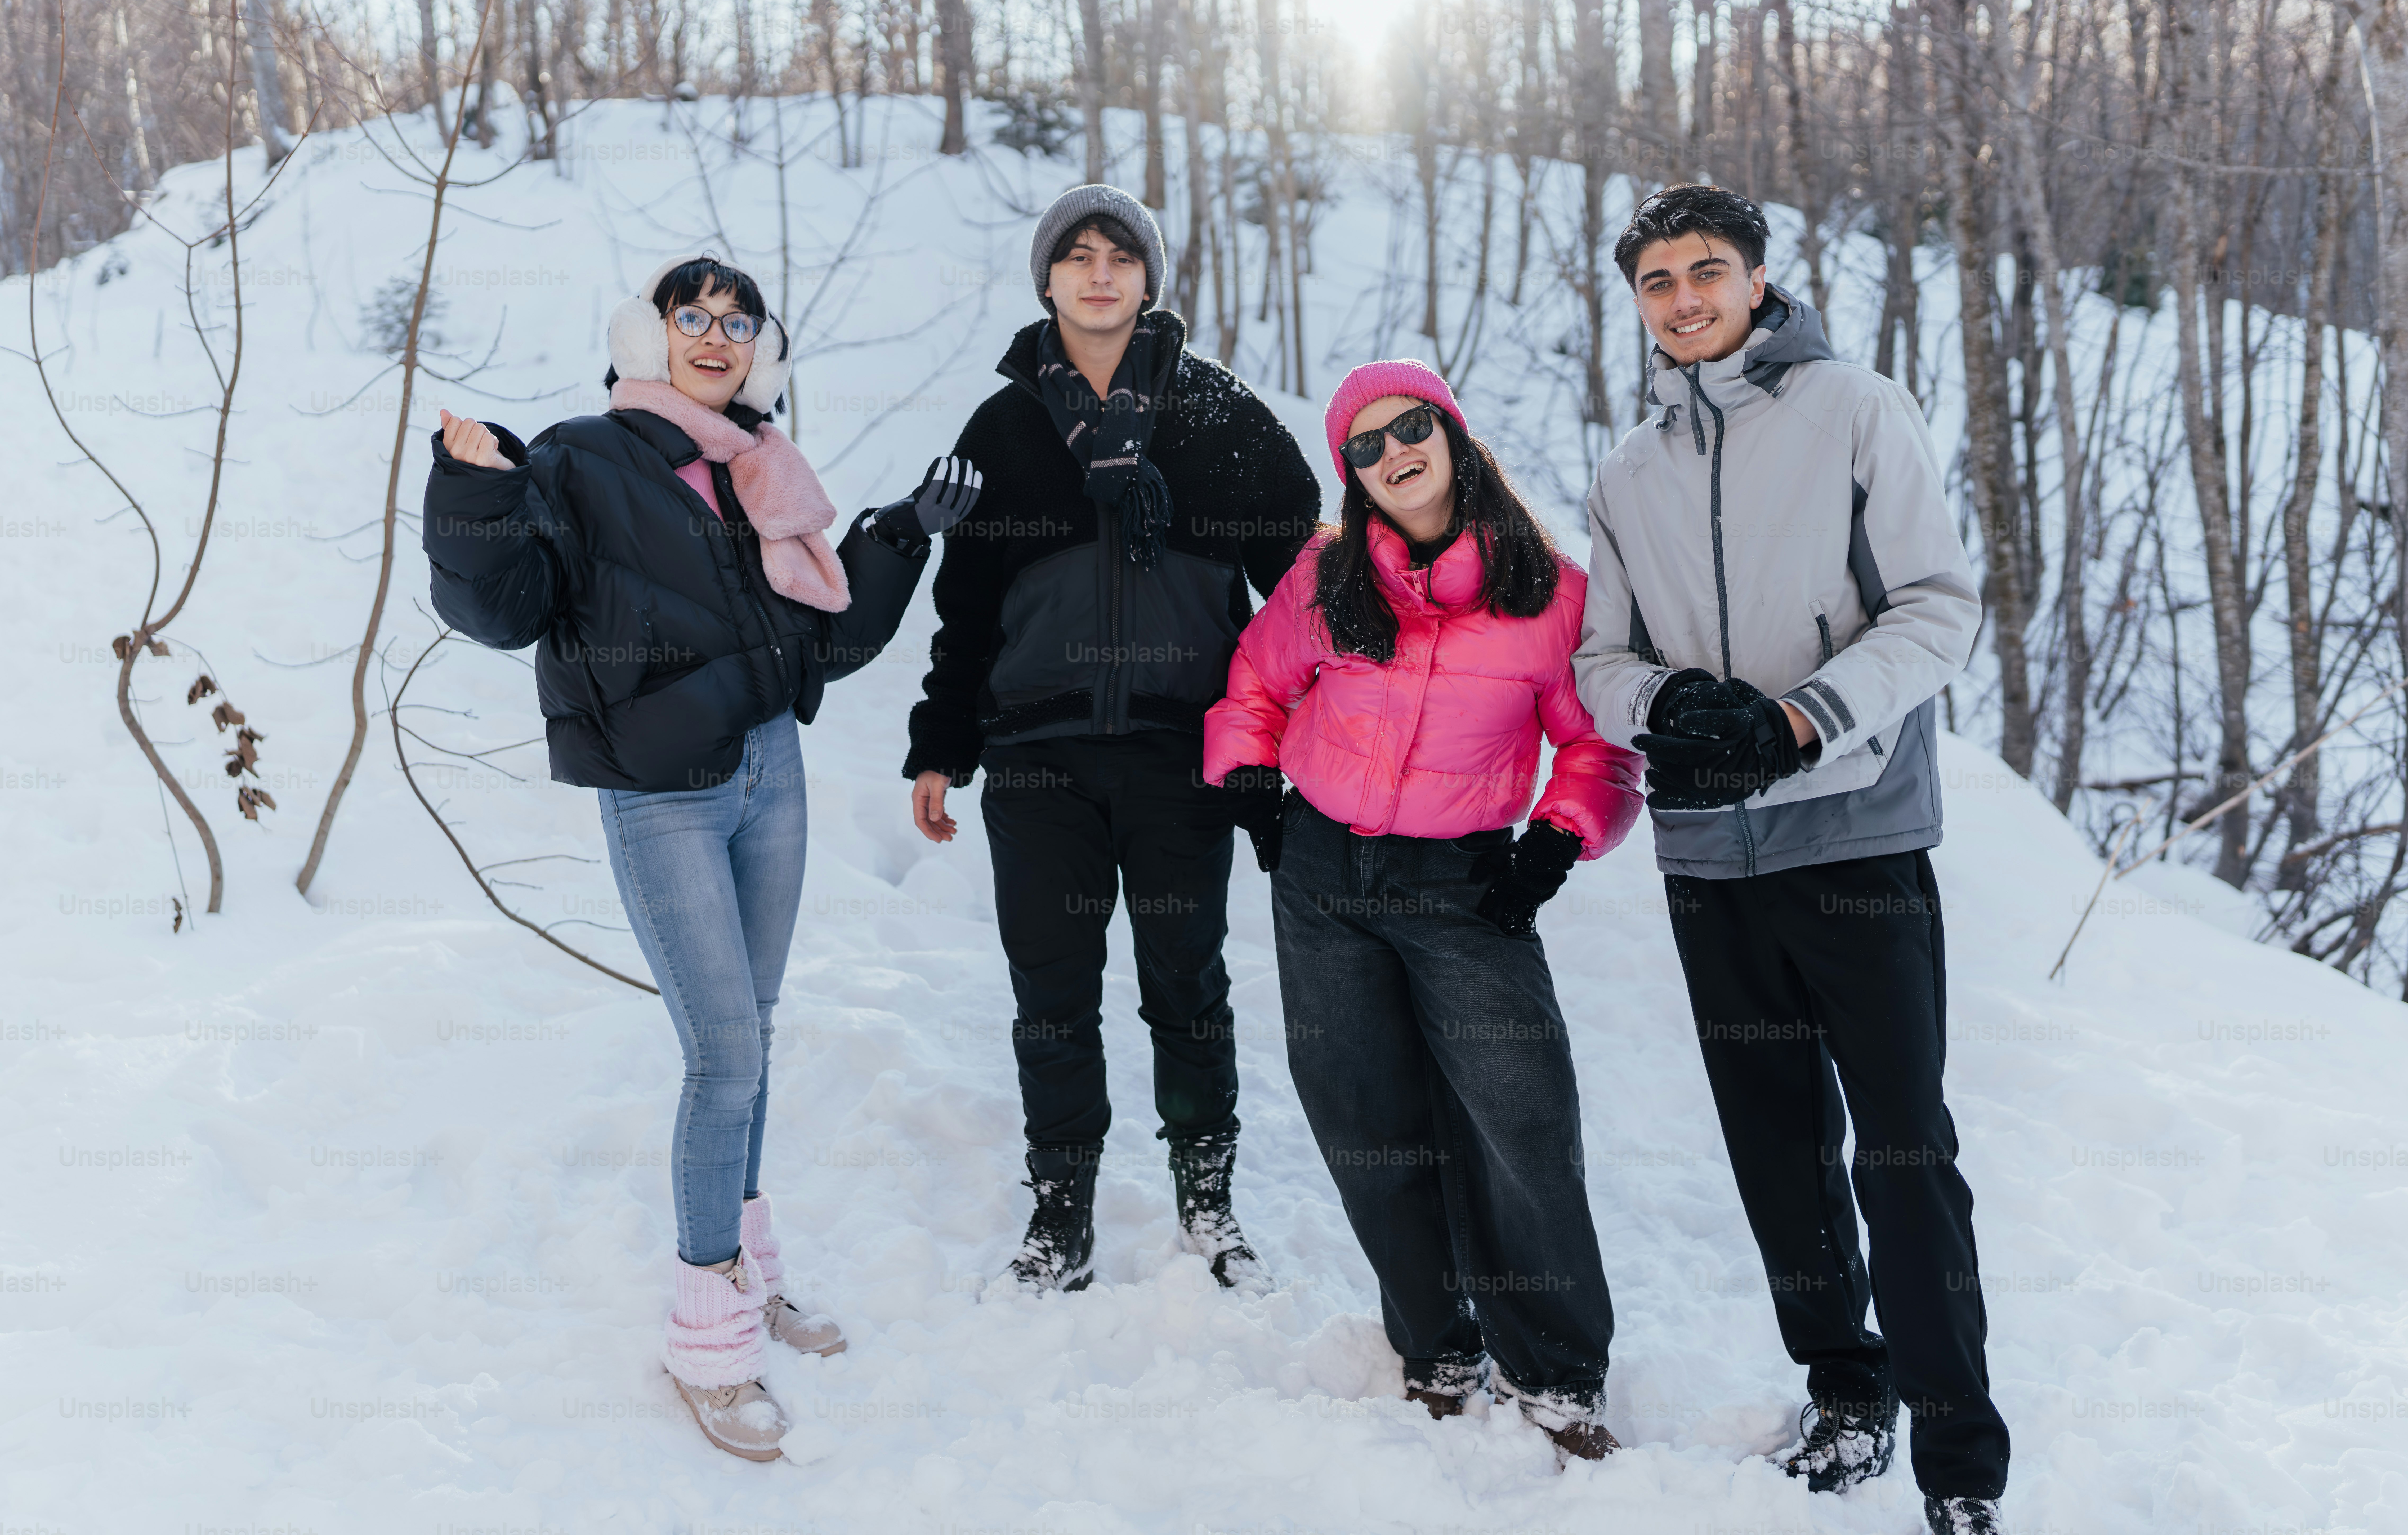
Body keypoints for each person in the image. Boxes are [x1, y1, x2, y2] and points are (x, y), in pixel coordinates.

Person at [423, 252, 981, 1463]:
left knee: (754, 1039)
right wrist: (472, 497)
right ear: (653, 335)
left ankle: (745, 1271)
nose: (715, 335)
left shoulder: (758, 467)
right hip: (662, 799)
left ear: (758, 351)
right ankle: (706, 1340)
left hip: (771, 772)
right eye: (693, 316)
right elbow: (499, 610)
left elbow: (818, 646)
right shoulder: (582, 460)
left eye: (738, 321)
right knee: (723, 1058)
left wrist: (898, 536)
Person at [1571, 185, 2008, 1534]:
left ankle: (1959, 1465)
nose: (1684, 298)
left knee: (1905, 1151)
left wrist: (1797, 720)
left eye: (1707, 271)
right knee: (1778, 1150)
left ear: (1758, 281)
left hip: (1856, 834)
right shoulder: (1628, 472)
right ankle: (1846, 1390)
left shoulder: (1856, 410)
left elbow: (1936, 611)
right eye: (1658, 281)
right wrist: (1670, 710)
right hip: (1711, 859)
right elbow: (1600, 664)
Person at [1203, 359, 1642, 1464]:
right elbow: (1255, 685)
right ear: (1350, 473)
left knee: (1521, 1118)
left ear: (1452, 434)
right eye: (1366, 445)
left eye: (1411, 429)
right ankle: (1438, 1345)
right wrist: (1250, 780)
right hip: (1322, 876)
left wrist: (1555, 841)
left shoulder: (1553, 592)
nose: (1394, 454)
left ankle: (1556, 1368)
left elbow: (1599, 744)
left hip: (1465, 885)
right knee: (1363, 1115)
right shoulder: (1328, 574)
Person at [903, 185, 1320, 1295]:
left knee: (1188, 983)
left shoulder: (1220, 414)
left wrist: (1301, 735)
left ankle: (1207, 1197)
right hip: (1037, 761)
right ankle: (1062, 1210)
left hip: (1183, 758)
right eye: (1078, 256)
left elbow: (1304, 590)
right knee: (1052, 994)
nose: (1099, 274)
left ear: (1148, 278)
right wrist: (942, 744)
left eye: (1120, 257)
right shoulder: (1002, 429)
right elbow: (966, 611)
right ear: (1047, 279)